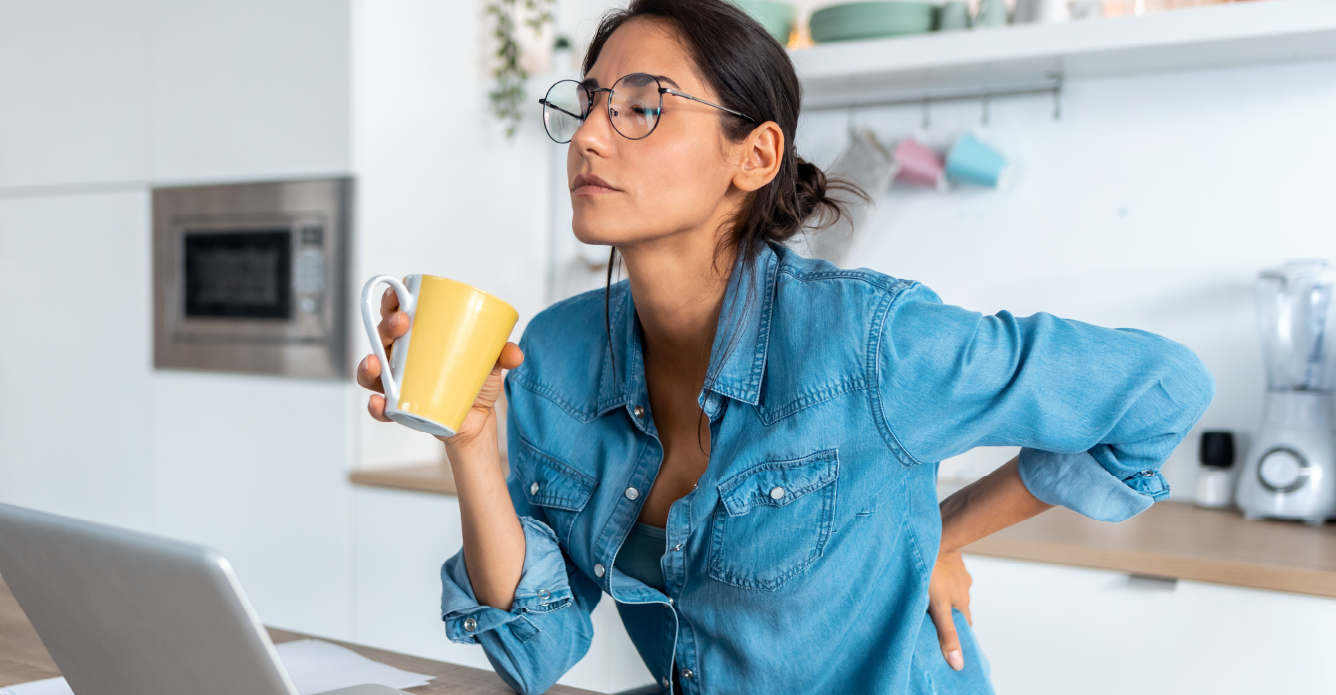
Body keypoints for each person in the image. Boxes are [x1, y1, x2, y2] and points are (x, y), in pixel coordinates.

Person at [356, 1, 1215, 693]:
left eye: (643, 106)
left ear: (756, 154)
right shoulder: (556, 354)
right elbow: (535, 645)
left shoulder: (870, 342)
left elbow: (1161, 388)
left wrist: (941, 537)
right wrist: (470, 441)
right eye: (587, 103)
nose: (588, 135)